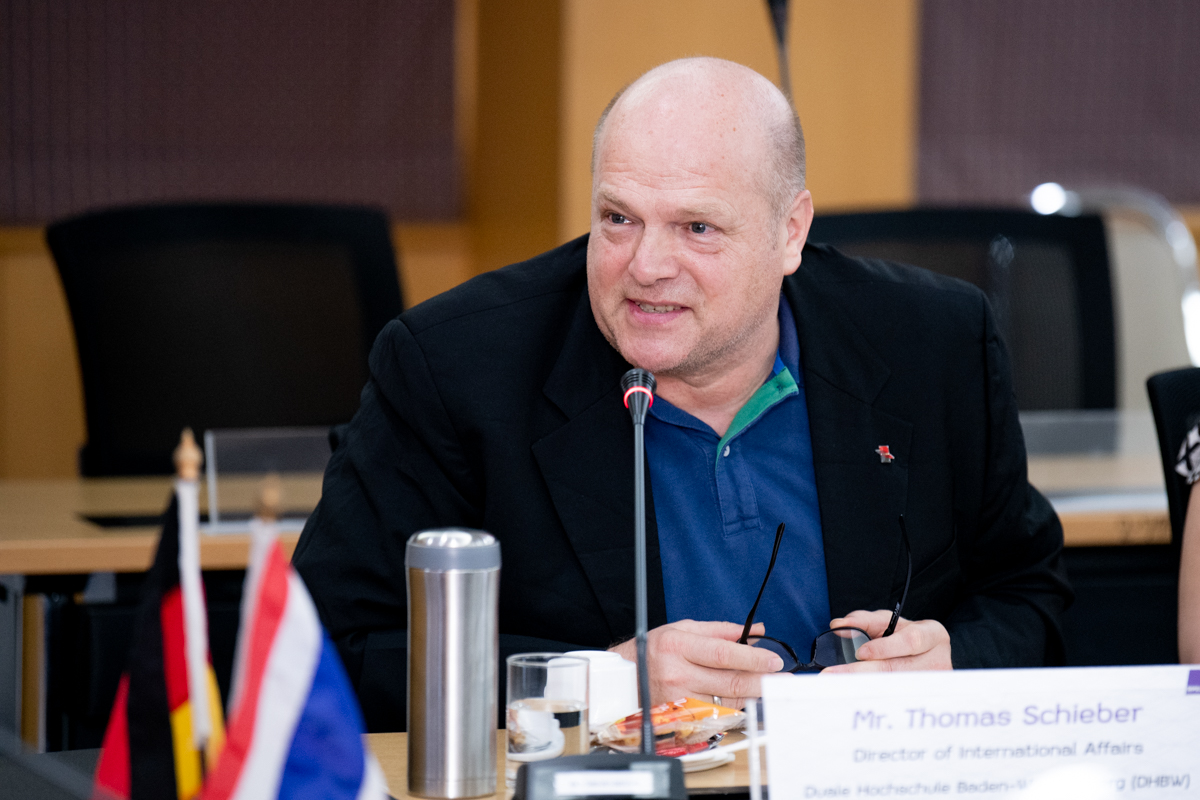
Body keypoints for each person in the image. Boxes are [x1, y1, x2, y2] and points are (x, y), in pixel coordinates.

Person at [293, 57, 1072, 730]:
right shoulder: (457, 367)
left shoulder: (932, 341)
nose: (646, 267)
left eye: (697, 227)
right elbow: (325, 647)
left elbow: (1028, 591)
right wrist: (601, 683)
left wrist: (954, 665)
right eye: (619, 218)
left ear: (790, 232)